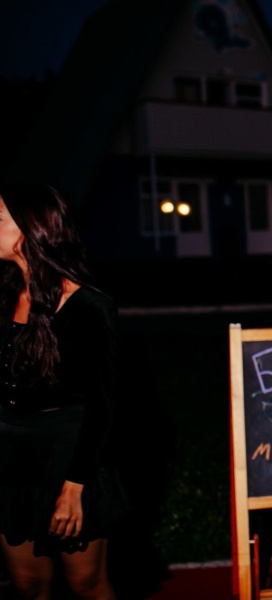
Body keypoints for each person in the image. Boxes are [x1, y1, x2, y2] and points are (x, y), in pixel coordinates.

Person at [0, 182, 126, 599]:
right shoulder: (4, 293)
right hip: (10, 458)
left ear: (30, 228)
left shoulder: (89, 306)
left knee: (86, 584)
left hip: (68, 458)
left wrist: (74, 489)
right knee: (28, 584)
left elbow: (103, 408)